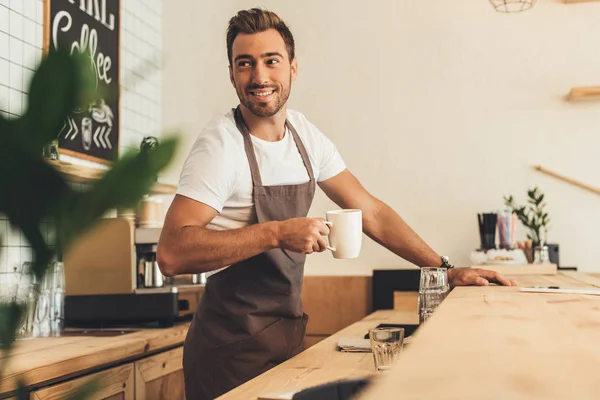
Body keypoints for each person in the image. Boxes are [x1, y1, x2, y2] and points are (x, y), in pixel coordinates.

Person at [157, 8, 517, 400]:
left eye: (271, 61)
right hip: (229, 355)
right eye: (245, 64)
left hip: (285, 341)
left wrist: (445, 269)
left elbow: (372, 212)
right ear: (231, 74)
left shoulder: (304, 137)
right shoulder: (220, 146)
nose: (259, 77)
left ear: (293, 68)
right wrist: (277, 233)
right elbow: (172, 253)